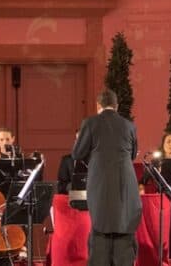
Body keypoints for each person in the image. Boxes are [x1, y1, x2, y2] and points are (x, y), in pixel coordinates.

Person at [72, 89, 142, 266]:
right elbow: (133, 154)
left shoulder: (90, 123)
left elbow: (77, 153)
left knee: (101, 230)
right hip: (126, 186)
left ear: (98, 105)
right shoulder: (129, 125)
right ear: (116, 106)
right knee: (124, 228)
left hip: (101, 185)